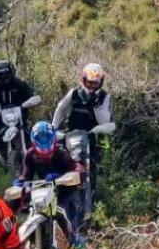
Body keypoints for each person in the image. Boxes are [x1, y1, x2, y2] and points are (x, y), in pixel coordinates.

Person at [52, 63, 112, 200]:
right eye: (89, 83)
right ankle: (63, 193)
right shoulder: (74, 93)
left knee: (93, 166)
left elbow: (105, 120)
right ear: (84, 80)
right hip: (72, 134)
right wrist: (53, 127)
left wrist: (96, 104)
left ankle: (92, 195)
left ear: (101, 82)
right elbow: (61, 108)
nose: (91, 86)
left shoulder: (104, 97)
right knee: (62, 160)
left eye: (95, 84)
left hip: (93, 136)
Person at [19, 120, 85, 239]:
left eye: (47, 139)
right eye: (41, 139)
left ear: (53, 139)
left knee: (70, 220)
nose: (44, 144)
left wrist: (66, 176)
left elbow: (76, 168)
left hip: (63, 190)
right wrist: (20, 181)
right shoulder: (30, 155)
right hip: (43, 190)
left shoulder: (61, 152)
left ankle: (76, 242)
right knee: (28, 209)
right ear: (34, 141)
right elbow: (26, 174)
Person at [0, 59, 36, 164]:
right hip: (4, 116)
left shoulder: (20, 84)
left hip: (20, 115)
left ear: (4, 73)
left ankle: (33, 154)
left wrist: (30, 102)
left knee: (30, 133)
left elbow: (32, 96)